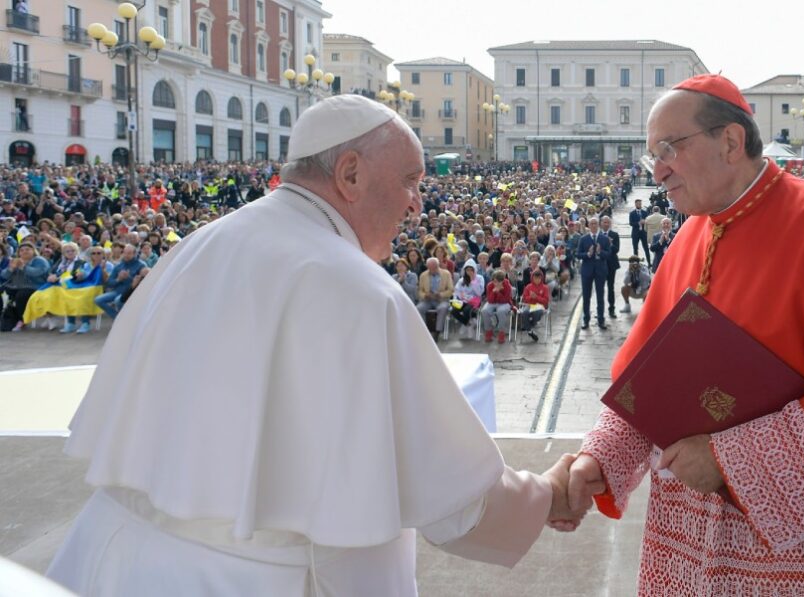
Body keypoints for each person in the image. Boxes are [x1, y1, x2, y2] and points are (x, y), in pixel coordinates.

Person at [47, 95, 592, 597]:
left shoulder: (199, 244)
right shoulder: (357, 289)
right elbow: (455, 498)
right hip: (263, 580)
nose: (416, 205)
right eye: (410, 181)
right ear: (350, 174)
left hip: (110, 561)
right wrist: (546, 494)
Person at [563, 74, 804, 595]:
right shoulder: (689, 236)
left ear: (731, 142)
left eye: (669, 148)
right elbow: (646, 380)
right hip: (695, 535)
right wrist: (599, 459)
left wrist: (727, 460)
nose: (658, 170)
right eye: (653, 156)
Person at [0, 242, 49, 331]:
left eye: (27, 249)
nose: (24, 252)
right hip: (15, 287)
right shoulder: (15, 260)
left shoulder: (40, 260)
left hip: (36, 287)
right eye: (21, 250)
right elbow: (4, 275)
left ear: (33, 251)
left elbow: (37, 273)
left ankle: (22, 320)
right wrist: (11, 268)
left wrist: (23, 266)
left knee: (21, 295)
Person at [576, 216, 610, 330]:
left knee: (600, 296)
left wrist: (600, 252)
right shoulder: (583, 239)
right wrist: (588, 254)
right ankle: (586, 320)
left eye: (595, 223)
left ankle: (601, 320)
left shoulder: (604, 238)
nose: (594, 225)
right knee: (586, 296)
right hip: (587, 271)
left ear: (598, 225)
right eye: (591, 224)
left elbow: (608, 254)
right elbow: (578, 254)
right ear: (589, 226)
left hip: (600, 270)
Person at [416, 256, 453, 339]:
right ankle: (424, 331)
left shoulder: (446, 274)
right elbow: (420, 290)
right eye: (430, 268)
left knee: (442, 308)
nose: (432, 269)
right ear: (427, 267)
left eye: (434, 267)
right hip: (428, 300)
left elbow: (451, 290)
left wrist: (441, 294)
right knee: (418, 308)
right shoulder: (423, 275)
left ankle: (437, 331)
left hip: (442, 299)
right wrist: (425, 295)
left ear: (438, 265)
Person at [482, 268, 514, 343]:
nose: (495, 283)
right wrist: (493, 292)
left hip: (504, 303)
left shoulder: (507, 285)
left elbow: (506, 299)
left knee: (501, 311)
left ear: (502, 280)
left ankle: (501, 332)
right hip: (492, 302)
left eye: (497, 281)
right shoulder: (490, 285)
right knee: (485, 311)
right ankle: (488, 330)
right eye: (494, 281)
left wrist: (499, 292)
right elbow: (490, 300)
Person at [520, 269, 550, 342]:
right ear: (532, 278)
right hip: (529, 305)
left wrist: (536, 297)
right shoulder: (528, 287)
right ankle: (530, 331)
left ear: (541, 278)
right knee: (525, 312)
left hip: (540, 306)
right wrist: (531, 297)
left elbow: (546, 301)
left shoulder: (545, 288)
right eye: (535, 278)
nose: (537, 280)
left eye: (539, 278)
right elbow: (525, 299)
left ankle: (528, 326)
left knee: (538, 312)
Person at [600, 215, 620, 318]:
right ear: (601, 223)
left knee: (610, 287)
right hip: (600, 265)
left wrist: (610, 243)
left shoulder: (614, 235)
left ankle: (611, 309)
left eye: (608, 222)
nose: (606, 224)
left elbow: (616, 250)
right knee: (600, 288)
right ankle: (600, 310)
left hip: (611, 264)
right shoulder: (598, 235)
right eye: (604, 222)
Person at [628, 198, 650, 265]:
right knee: (635, 248)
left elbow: (648, 222)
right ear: (635, 204)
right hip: (635, 233)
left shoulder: (645, 212)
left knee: (646, 248)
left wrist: (645, 222)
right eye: (638, 204)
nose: (639, 205)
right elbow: (631, 223)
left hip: (643, 233)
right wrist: (638, 223)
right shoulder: (632, 213)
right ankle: (636, 263)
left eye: (640, 204)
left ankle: (649, 262)